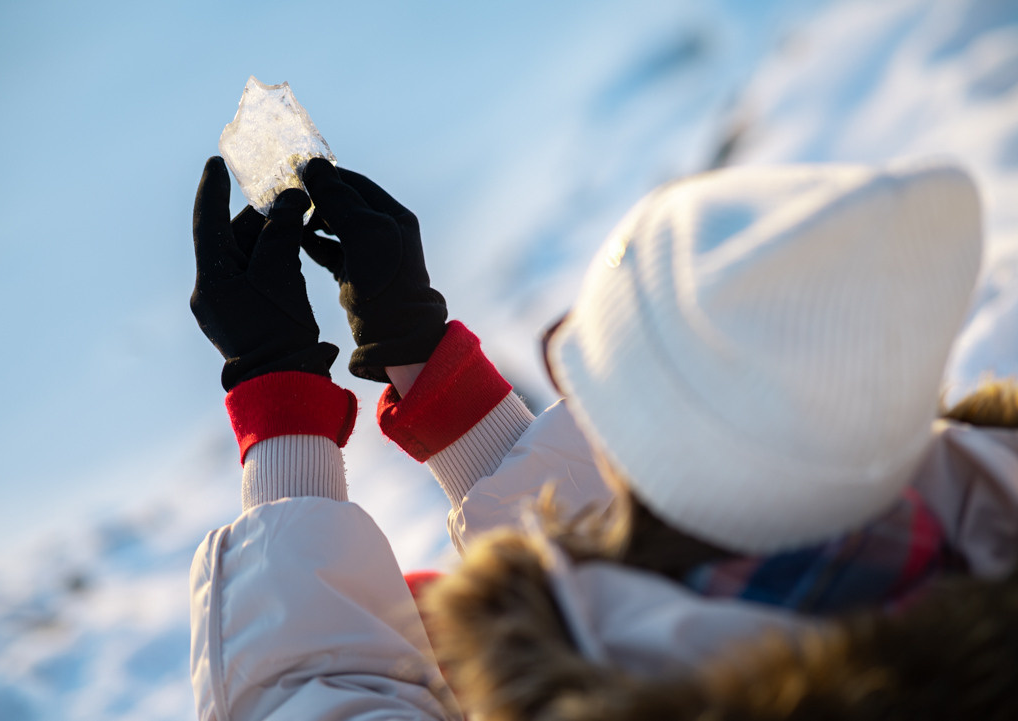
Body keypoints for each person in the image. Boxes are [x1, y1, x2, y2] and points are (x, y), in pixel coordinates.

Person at [188, 155, 1018, 720]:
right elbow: (716, 503)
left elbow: (314, 699)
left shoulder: (619, 685)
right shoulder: (947, 513)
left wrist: (281, 409)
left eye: (598, 381)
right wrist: (420, 355)